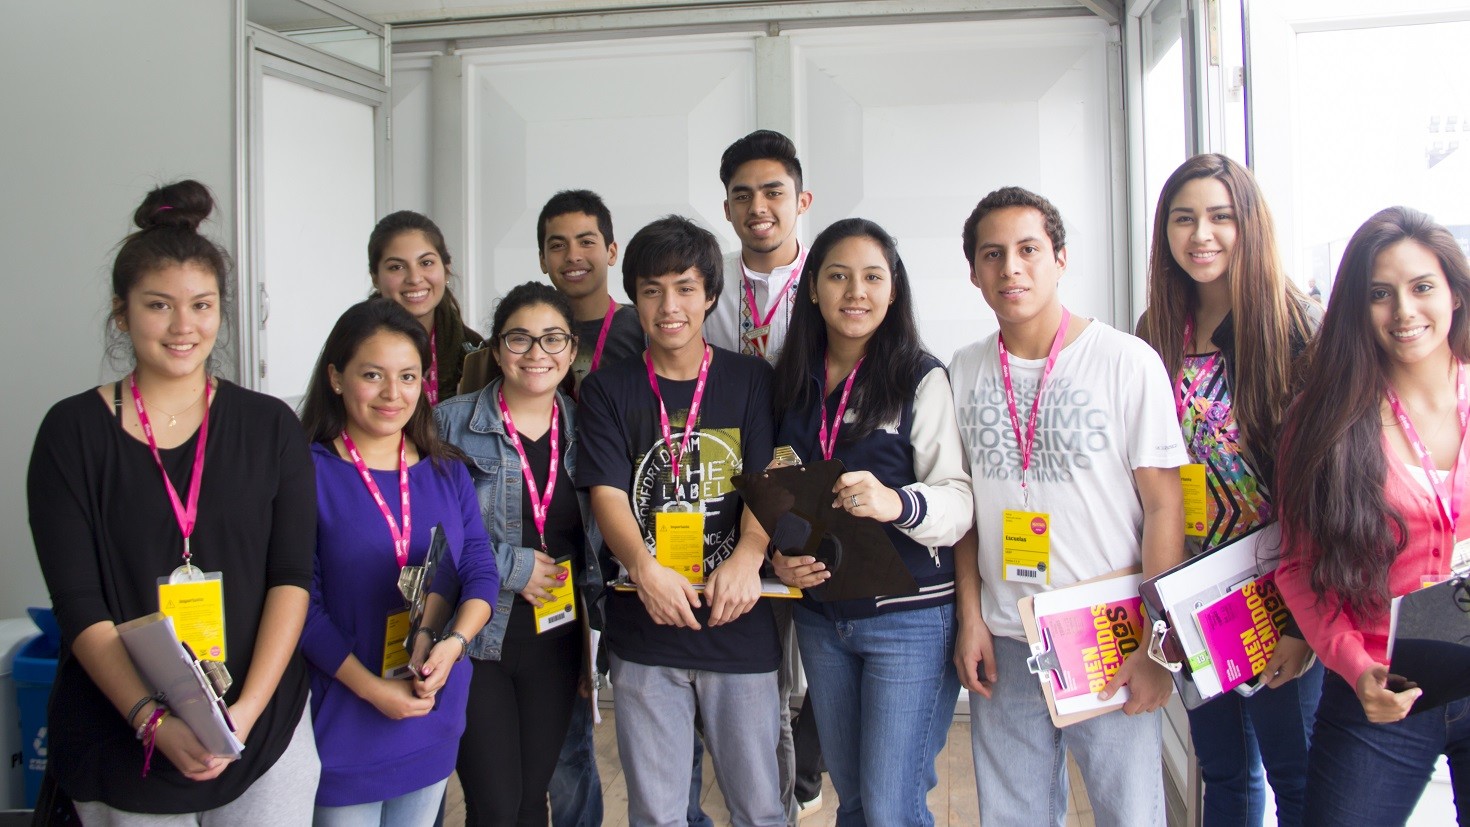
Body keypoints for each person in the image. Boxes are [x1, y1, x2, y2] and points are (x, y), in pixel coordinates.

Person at [27, 180, 320, 824]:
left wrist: (244, 714)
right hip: (120, 738)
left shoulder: (271, 427)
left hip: (262, 730)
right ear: (122, 312)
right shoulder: (72, 433)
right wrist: (151, 720)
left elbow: (291, 577)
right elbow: (79, 605)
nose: (184, 327)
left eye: (201, 305)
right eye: (159, 305)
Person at [949, 186, 1187, 826]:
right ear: (974, 272)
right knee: (1013, 817)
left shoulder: (1126, 362)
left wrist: (1157, 645)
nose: (1011, 268)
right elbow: (965, 510)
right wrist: (971, 618)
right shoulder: (964, 370)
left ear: (1060, 258)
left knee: (1129, 815)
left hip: (1110, 634)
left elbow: (1165, 508)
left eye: (1028, 249)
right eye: (992, 254)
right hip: (1008, 633)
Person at [578, 215, 785, 826]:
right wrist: (644, 568)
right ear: (634, 298)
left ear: (710, 295)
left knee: (759, 811)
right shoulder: (607, 389)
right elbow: (608, 492)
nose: (669, 307)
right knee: (657, 815)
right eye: (652, 290)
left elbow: (765, 480)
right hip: (646, 628)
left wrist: (749, 554)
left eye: (685, 288)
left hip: (738, 622)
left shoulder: (751, 381)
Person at [1135, 154, 1322, 827]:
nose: (1201, 235)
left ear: (1250, 224)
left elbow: (1326, 486)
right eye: (1183, 219)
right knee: (1224, 772)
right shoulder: (1154, 331)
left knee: (1297, 776)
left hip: (1280, 584)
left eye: (1220, 216)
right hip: (1194, 585)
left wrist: (1301, 623)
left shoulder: (1296, 327)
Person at [769, 218, 973, 824]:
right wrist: (781, 556)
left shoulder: (919, 377)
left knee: (891, 807)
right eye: (838, 276)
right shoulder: (789, 379)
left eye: (872, 277)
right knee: (855, 801)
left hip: (910, 620)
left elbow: (958, 501)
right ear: (812, 288)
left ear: (893, 289)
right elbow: (779, 489)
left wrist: (897, 503)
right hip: (822, 618)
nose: (855, 292)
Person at [1275, 206, 1470, 824]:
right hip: (1381, 690)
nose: (1404, 311)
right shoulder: (1325, 420)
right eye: (1380, 294)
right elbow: (1299, 567)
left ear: (1455, 292)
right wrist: (1356, 668)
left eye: (1422, 287)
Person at [298, 298, 498, 826]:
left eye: (408, 376)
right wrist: (372, 690)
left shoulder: (446, 470)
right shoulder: (307, 474)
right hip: (345, 715)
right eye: (373, 375)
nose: (393, 393)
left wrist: (454, 647)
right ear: (336, 378)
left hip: (431, 705)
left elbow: (480, 569)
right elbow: (300, 606)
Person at [436, 282, 603, 826]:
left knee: (533, 801)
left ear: (571, 349)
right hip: (477, 639)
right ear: (496, 347)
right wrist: (512, 567)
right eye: (519, 339)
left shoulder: (588, 429)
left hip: (556, 640)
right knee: (494, 807)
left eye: (552, 339)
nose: (536, 353)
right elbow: (430, 536)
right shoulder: (450, 424)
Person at [708, 128, 825, 824]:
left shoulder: (828, 279)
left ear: (801, 200)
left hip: (817, 481)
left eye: (773, 192)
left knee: (826, 650)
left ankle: (805, 771)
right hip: (736, 494)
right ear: (726, 207)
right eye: (742, 195)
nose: (759, 208)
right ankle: (773, 789)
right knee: (761, 657)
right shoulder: (710, 282)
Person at [368, 211, 484, 404]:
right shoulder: (355, 343)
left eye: (426, 263)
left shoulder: (472, 349)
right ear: (375, 278)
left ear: (446, 270)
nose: (414, 278)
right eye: (397, 267)